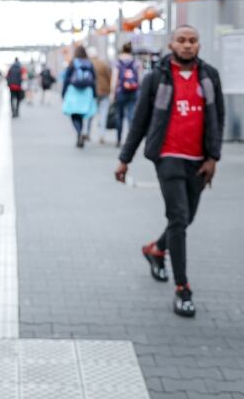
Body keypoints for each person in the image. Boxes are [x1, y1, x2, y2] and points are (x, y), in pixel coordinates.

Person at [114, 25, 224, 318]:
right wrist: (125, 159)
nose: (187, 45)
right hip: (168, 157)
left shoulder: (210, 76)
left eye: (193, 41)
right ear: (171, 44)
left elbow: (218, 118)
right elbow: (139, 122)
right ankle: (183, 289)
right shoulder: (155, 78)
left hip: (198, 160)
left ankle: (156, 250)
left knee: (186, 218)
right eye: (182, 40)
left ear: (198, 45)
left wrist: (213, 157)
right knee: (178, 217)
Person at [61, 46, 97, 147]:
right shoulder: (89, 63)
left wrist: (63, 93)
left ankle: (79, 132)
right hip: (87, 91)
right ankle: (81, 132)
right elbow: (94, 79)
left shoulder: (73, 63)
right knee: (82, 114)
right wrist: (94, 94)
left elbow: (66, 79)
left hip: (74, 91)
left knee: (74, 114)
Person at [112, 42, 143, 147]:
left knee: (119, 116)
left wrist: (113, 93)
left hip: (120, 92)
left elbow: (114, 79)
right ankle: (130, 141)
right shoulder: (136, 62)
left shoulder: (117, 62)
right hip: (133, 92)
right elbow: (140, 79)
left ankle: (119, 139)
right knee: (131, 116)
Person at [88, 48, 112, 144]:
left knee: (90, 114)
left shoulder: (89, 64)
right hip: (104, 92)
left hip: (93, 92)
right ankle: (101, 135)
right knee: (103, 114)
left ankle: (87, 132)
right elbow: (109, 77)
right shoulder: (103, 64)